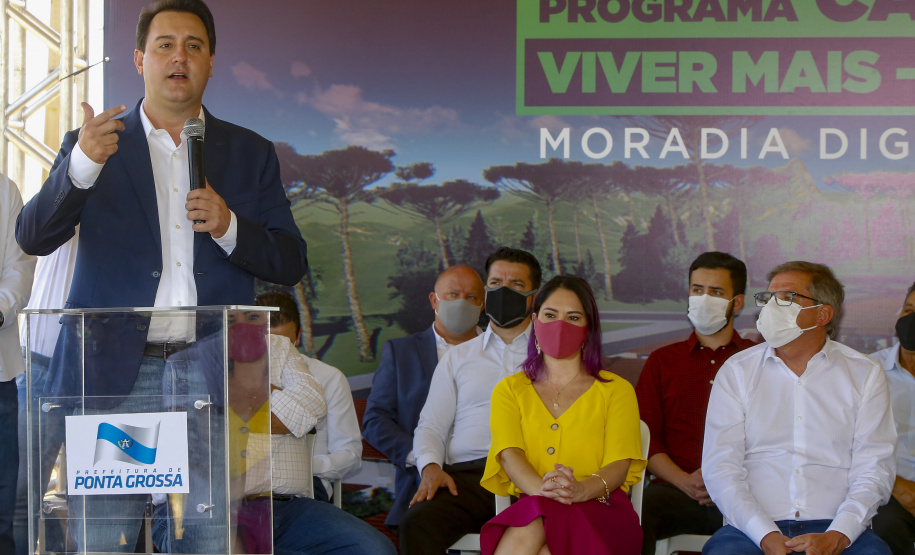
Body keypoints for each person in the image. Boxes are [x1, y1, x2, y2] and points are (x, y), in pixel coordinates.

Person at [14, 0, 307, 550]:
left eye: (194, 46)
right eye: (165, 45)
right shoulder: (97, 143)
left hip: (210, 371)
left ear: (211, 62)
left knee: (207, 537)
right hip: (112, 376)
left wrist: (228, 226)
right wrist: (81, 166)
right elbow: (33, 236)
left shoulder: (249, 152)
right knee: (105, 538)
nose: (180, 57)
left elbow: (289, 262)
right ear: (139, 58)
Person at [153, 309, 395, 555]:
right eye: (229, 320)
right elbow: (186, 430)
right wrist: (267, 396)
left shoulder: (279, 347)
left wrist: (241, 395)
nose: (242, 326)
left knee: (374, 549)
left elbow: (309, 411)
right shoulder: (181, 357)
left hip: (282, 505)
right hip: (201, 508)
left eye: (252, 317)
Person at [702, 261, 896, 555]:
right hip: (751, 529)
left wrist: (837, 535)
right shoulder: (738, 371)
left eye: (786, 298)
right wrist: (765, 534)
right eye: (767, 298)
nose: (771, 307)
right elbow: (721, 468)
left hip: (837, 527)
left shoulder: (865, 373)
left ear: (822, 314)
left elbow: (874, 469)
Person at [480, 275, 645, 555]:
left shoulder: (617, 390)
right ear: (534, 320)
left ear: (588, 328)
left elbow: (618, 466)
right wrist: (543, 491)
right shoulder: (510, 390)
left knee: (536, 526)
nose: (559, 325)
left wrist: (581, 490)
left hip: (602, 511)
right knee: (540, 532)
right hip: (535, 505)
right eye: (550, 314)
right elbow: (509, 455)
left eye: (573, 317)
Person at [399, 247, 541, 555]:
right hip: (469, 480)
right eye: (496, 283)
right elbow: (431, 426)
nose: (505, 291)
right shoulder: (458, 358)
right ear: (487, 292)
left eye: (516, 285)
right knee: (418, 523)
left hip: (535, 479)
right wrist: (431, 466)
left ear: (534, 296)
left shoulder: (551, 356)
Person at [636, 252, 755, 554]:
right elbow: (644, 437)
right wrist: (684, 481)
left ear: (737, 302)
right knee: (635, 513)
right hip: (675, 490)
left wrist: (726, 483)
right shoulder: (662, 361)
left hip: (746, 493)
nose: (704, 298)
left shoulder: (759, 360)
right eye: (697, 290)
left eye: (716, 292)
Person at [361, 264, 485, 527]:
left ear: (483, 305)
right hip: (422, 484)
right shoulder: (400, 352)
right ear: (434, 300)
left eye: (471, 297)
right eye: (452, 294)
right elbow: (375, 420)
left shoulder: (501, 356)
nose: (462, 302)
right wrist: (423, 459)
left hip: (489, 482)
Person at [255, 291, 363, 503]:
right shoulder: (229, 375)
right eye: (268, 344)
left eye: (286, 345)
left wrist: (306, 465)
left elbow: (350, 456)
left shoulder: (329, 377)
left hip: (307, 485)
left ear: (298, 336)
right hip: (244, 485)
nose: (278, 352)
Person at [14, 231, 77, 555]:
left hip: (104, 368)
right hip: (40, 358)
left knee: (98, 498)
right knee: (21, 494)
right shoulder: (68, 185)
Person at [0, 174, 36, 554]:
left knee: (3, 509)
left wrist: (0, 309)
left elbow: (20, 266)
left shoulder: (3, 189)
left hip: (1, 371)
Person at [870, 281, 915, 555]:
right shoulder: (868, 371)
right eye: (909, 309)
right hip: (891, 490)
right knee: (882, 526)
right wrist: (899, 486)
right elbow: (850, 444)